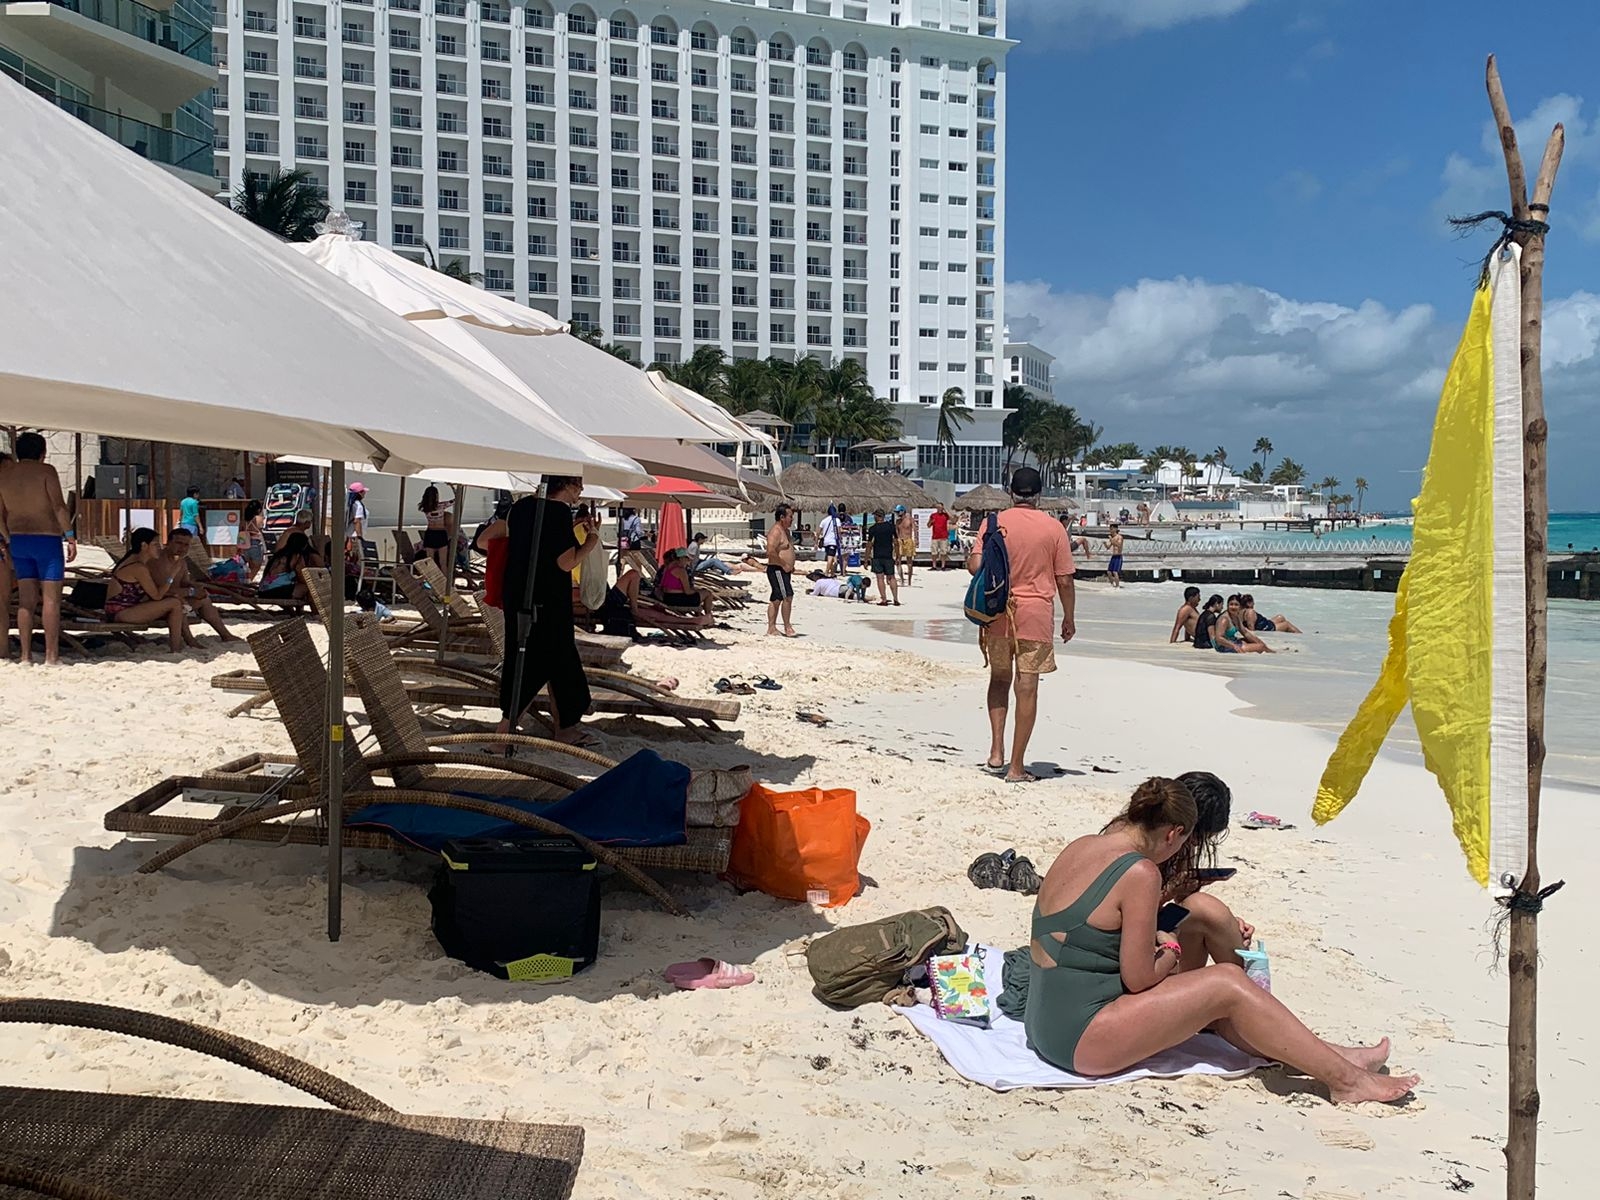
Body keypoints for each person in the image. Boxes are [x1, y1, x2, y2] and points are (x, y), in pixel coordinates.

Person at [1025, 778, 1417, 1102]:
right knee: (1227, 983)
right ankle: (1348, 1083)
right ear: (1173, 833)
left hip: (1043, 1021)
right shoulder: (1140, 872)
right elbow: (1140, 979)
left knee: (1212, 962)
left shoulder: (1084, 846)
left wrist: (1161, 935)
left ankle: (1339, 1058)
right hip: (1081, 1038)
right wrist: (1171, 946)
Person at [969, 467, 1074, 784]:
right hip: (1036, 614)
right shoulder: (1054, 528)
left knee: (999, 679)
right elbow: (1065, 580)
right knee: (1026, 687)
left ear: (1011, 493)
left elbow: (975, 566)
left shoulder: (992, 523)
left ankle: (996, 751)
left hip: (998, 612)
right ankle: (1016, 767)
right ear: (1039, 495)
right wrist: (1069, 617)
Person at [498, 477, 605, 745]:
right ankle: (502, 735)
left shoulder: (521, 508)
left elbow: (529, 542)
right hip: (548, 598)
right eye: (579, 485)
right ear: (566, 485)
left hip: (518, 593)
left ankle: (565, 728)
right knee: (541, 661)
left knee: (542, 660)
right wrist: (591, 539)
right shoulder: (556, 512)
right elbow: (566, 562)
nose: (581, 490)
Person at [0, 432, 77, 665]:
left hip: (19, 539)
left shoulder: (4, 475)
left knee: (26, 601)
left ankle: (24, 656)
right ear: (42, 453)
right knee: (51, 600)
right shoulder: (46, 472)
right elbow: (59, 507)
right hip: (46, 539)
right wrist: (71, 537)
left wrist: (7, 537)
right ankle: (51, 656)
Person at [104, 528, 192, 651]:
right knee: (175, 604)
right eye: (156, 545)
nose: (159, 548)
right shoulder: (139, 567)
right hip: (121, 614)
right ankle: (176, 647)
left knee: (176, 601)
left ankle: (182, 643)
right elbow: (157, 596)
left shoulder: (136, 562)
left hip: (123, 610)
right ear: (144, 545)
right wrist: (171, 575)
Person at [157, 528, 241, 642]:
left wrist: (197, 587)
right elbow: (163, 591)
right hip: (160, 603)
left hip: (177, 599)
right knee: (179, 605)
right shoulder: (159, 561)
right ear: (169, 542)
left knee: (204, 599)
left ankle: (225, 634)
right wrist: (191, 592)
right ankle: (189, 639)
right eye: (178, 543)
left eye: (186, 545)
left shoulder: (181, 561)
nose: (182, 548)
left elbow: (184, 582)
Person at [765, 503, 798, 637]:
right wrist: (784, 564)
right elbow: (770, 551)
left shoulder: (786, 531)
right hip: (777, 569)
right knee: (787, 596)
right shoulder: (776, 531)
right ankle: (787, 626)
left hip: (784, 570)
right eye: (790, 516)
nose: (792, 519)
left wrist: (790, 564)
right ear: (782, 517)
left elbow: (786, 550)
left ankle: (772, 628)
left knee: (777, 598)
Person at [259, 532, 322, 601]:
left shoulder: (279, 554)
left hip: (263, 590)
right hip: (274, 591)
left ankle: (292, 611)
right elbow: (301, 575)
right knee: (309, 588)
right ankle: (315, 611)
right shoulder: (295, 556)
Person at [474, 496, 512, 609]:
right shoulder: (518, 512)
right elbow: (482, 542)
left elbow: (482, 542)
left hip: (511, 580)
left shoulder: (516, 512)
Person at [658, 546, 714, 617]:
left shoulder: (667, 567)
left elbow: (662, 585)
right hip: (678, 599)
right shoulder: (681, 571)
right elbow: (687, 591)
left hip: (667, 597)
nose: (688, 562)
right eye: (687, 559)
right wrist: (697, 591)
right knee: (708, 594)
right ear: (681, 558)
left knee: (700, 594)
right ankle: (708, 616)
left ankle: (700, 615)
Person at [417, 484, 454, 578]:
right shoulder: (441, 506)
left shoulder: (424, 507)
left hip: (430, 534)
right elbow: (455, 501)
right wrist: (453, 488)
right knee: (443, 563)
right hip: (440, 534)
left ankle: (431, 582)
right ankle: (445, 585)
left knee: (430, 562)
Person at [866, 508, 899, 606]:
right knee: (892, 577)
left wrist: (866, 559)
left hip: (877, 556)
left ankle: (884, 599)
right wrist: (898, 556)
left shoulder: (873, 529)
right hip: (888, 555)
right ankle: (896, 599)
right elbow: (896, 542)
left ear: (877, 516)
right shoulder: (891, 527)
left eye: (874, 516)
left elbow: (869, 545)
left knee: (880, 578)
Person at [240, 500, 267, 581]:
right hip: (255, 544)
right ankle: (248, 582)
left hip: (245, 544)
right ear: (258, 510)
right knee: (256, 567)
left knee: (250, 566)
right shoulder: (259, 519)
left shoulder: (244, 521)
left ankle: (248, 581)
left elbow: (241, 531)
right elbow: (262, 528)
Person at [894, 505, 916, 586]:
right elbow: (896, 533)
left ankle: (909, 581)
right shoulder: (897, 521)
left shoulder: (910, 520)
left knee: (909, 562)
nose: (897, 513)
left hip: (908, 540)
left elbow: (914, 530)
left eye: (898, 512)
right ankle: (902, 580)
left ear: (902, 511)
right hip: (900, 541)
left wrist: (915, 540)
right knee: (898, 561)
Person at [818, 505, 842, 577]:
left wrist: (816, 541)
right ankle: (826, 572)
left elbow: (818, 531)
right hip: (833, 541)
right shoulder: (837, 520)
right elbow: (839, 531)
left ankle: (832, 573)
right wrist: (840, 539)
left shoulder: (824, 520)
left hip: (826, 542)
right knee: (830, 558)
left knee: (830, 556)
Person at [929, 504, 951, 571]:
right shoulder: (933, 515)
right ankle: (934, 566)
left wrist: (945, 510)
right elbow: (928, 525)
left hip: (943, 536)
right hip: (935, 536)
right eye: (938, 507)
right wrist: (931, 522)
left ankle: (943, 566)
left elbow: (952, 518)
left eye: (940, 507)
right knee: (934, 552)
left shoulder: (945, 515)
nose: (939, 508)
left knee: (943, 552)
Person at [1106, 523, 1124, 588]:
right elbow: (1108, 547)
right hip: (1113, 556)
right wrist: (1105, 544)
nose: (1110, 530)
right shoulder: (1113, 538)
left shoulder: (1120, 537)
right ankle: (1112, 584)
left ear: (1116, 529)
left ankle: (1117, 586)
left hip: (1118, 556)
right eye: (1110, 529)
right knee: (1109, 572)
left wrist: (1111, 540)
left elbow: (1119, 545)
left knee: (1115, 572)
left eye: (1112, 529)